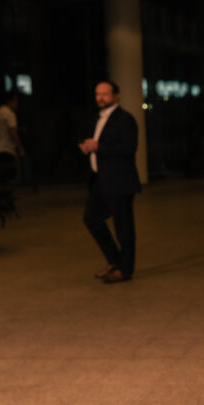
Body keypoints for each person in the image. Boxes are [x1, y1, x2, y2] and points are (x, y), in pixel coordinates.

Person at [79, 80, 140, 284]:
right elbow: (99, 144)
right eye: (97, 94)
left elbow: (128, 148)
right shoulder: (97, 118)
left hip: (119, 181)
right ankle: (115, 260)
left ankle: (125, 270)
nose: (100, 98)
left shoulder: (125, 119)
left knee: (123, 227)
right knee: (91, 219)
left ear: (116, 96)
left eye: (105, 94)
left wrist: (98, 147)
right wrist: (88, 147)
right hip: (100, 180)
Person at [0, 92, 24, 183]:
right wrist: (20, 147)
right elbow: (13, 132)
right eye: (16, 101)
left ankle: (1, 193)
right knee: (9, 172)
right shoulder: (9, 114)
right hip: (6, 147)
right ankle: (4, 193)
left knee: (2, 171)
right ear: (10, 101)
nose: (17, 103)